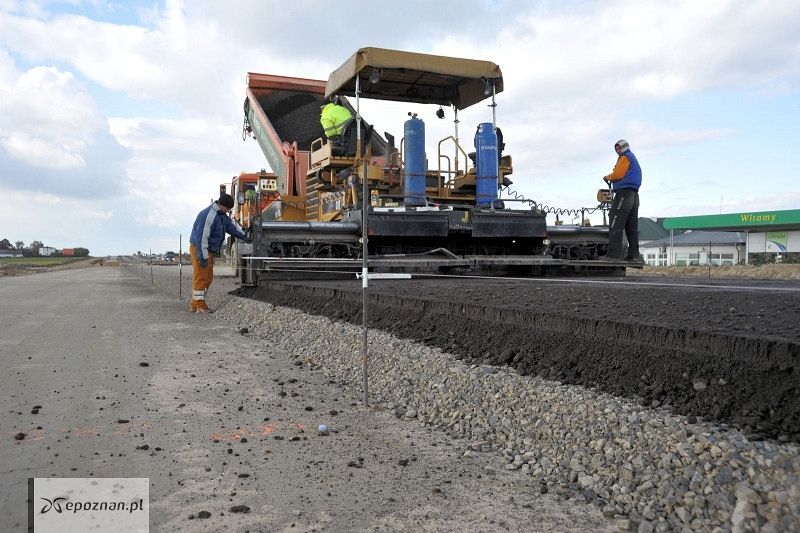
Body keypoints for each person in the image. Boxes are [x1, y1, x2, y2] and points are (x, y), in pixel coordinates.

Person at [189, 194, 249, 313]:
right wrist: (203, 257)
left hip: (208, 250)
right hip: (200, 249)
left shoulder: (222, 215)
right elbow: (201, 238)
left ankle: (194, 304)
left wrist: (246, 236)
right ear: (222, 206)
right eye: (228, 209)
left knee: (207, 278)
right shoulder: (208, 215)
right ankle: (200, 306)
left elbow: (231, 228)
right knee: (201, 278)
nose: (229, 211)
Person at [602, 139, 642, 262]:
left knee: (615, 222)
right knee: (631, 226)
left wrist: (608, 177)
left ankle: (613, 256)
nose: (618, 150)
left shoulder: (625, 157)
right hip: (634, 195)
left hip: (624, 194)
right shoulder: (633, 158)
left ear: (625, 147)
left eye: (619, 148)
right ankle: (634, 255)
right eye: (616, 148)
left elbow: (618, 174)